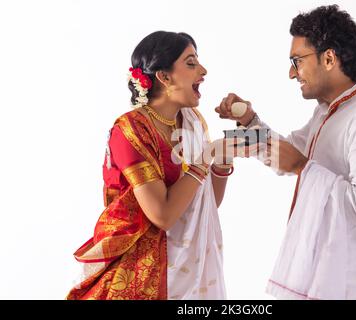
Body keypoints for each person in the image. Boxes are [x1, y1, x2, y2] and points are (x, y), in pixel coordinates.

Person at [215, 5, 356, 299]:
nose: (292, 73)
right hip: (327, 273)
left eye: (297, 61)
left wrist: (304, 168)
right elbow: (289, 155)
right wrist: (249, 122)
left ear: (328, 58)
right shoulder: (331, 110)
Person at [67, 31, 248, 300]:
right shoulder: (130, 131)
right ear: (164, 77)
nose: (203, 70)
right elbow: (163, 215)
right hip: (140, 269)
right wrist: (206, 157)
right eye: (191, 63)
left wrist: (223, 160)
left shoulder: (192, 122)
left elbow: (203, 203)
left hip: (185, 268)